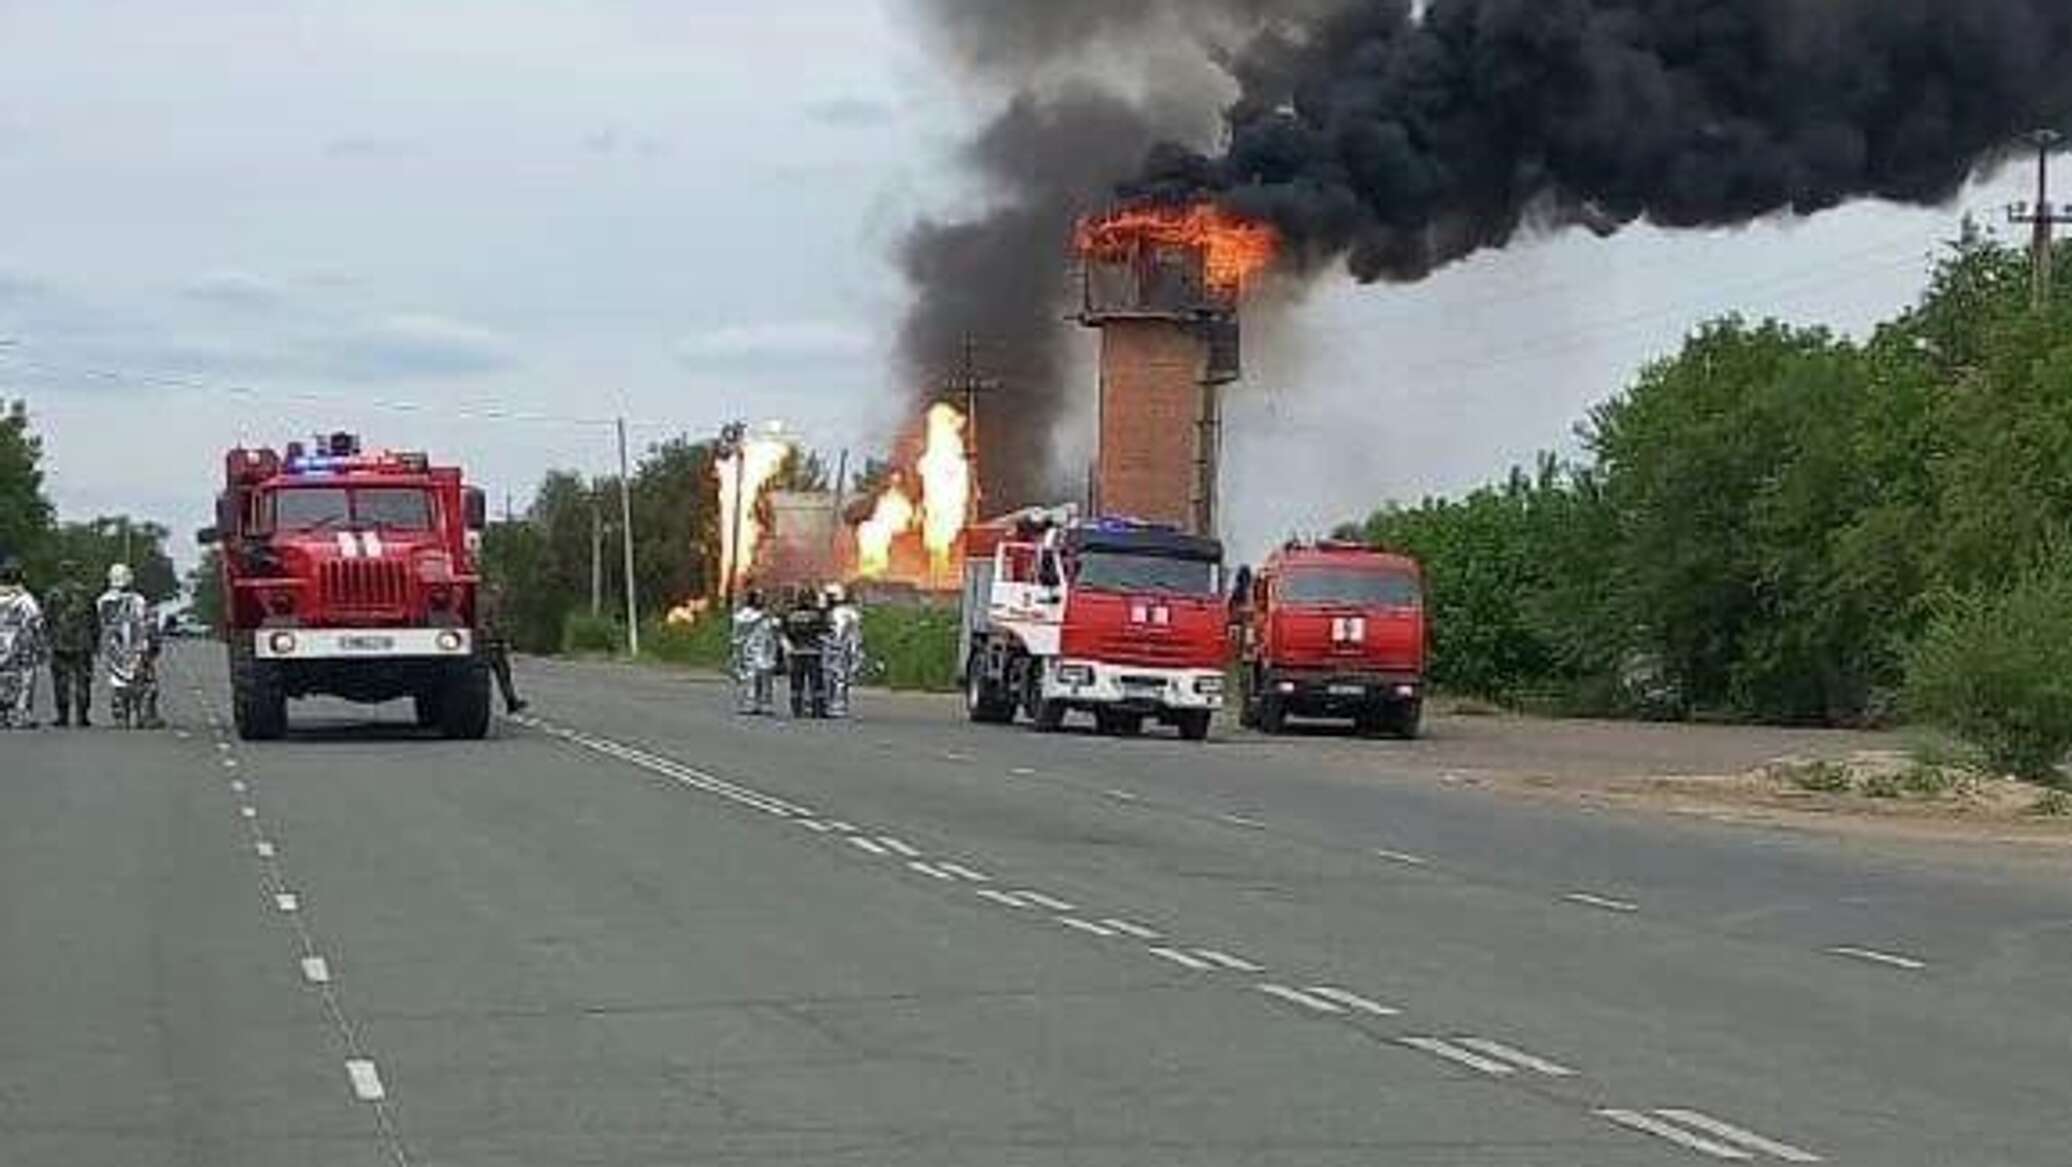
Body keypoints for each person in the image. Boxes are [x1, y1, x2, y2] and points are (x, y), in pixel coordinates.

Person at [97, 563, 157, 729]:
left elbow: (100, 625)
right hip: (136, 647)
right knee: (144, 684)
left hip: (113, 648)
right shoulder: (138, 600)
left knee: (117, 682)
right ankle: (143, 716)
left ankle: (121, 717)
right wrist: (151, 646)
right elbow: (146, 625)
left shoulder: (102, 601)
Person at [44, 559, 99, 728]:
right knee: (83, 680)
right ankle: (82, 716)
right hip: (83, 643)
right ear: (75, 572)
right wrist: (95, 641)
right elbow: (94, 619)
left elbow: (46, 617)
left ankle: (63, 716)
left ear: (61, 572)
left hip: (60, 643)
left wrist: (48, 639)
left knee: (60, 681)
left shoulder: (52, 592)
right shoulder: (86, 592)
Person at [0, 558, 46, 729]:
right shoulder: (25, 599)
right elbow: (37, 622)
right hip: (21, 648)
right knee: (25, 681)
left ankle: (2, 715)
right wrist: (41, 646)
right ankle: (20, 715)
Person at [781, 584, 833, 719]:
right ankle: (818, 709)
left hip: (796, 653)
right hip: (813, 653)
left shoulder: (791, 614)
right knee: (816, 683)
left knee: (796, 683)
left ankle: (797, 709)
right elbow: (826, 630)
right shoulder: (818, 614)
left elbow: (785, 632)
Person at [478, 579, 527, 715]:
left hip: (479, 643)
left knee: (483, 677)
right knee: (503, 674)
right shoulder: (492, 601)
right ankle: (511, 701)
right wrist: (504, 641)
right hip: (490, 643)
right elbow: (495, 623)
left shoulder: (478, 599)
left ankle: (509, 702)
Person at [730, 588, 779, 715]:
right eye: (759, 598)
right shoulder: (745, 614)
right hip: (749, 651)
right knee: (750, 678)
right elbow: (742, 626)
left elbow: (775, 627)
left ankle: (766, 704)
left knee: (766, 678)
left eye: (763, 598)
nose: (762, 600)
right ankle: (749, 703)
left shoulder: (767, 615)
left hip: (766, 651)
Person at [824, 582, 862, 719]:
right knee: (832, 678)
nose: (827, 599)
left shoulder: (846, 613)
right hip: (832, 650)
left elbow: (851, 635)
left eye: (830, 596)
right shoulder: (829, 612)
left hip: (839, 651)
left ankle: (838, 706)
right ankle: (831, 704)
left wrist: (854, 652)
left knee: (839, 678)